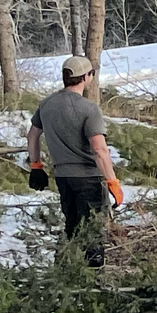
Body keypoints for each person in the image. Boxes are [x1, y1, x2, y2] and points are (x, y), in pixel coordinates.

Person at [27, 55, 125, 261]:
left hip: (63, 178)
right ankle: (92, 284)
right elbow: (99, 150)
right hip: (89, 179)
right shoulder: (88, 109)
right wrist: (113, 182)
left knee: (71, 230)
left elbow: (33, 134)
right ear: (86, 77)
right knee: (92, 234)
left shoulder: (46, 105)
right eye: (91, 73)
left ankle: (67, 277)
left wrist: (36, 166)